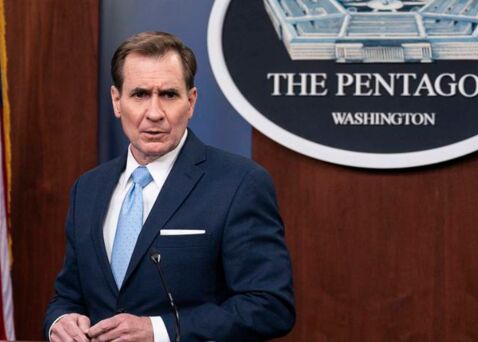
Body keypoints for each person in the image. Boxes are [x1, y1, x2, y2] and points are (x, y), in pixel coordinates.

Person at [44, 31, 295, 342]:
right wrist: (60, 321)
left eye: (168, 95)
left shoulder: (240, 183)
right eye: (139, 95)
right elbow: (68, 296)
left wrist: (159, 330)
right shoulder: (88, 188)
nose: (154, 113)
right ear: (117, 101)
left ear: (191, 102)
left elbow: (270, 306)